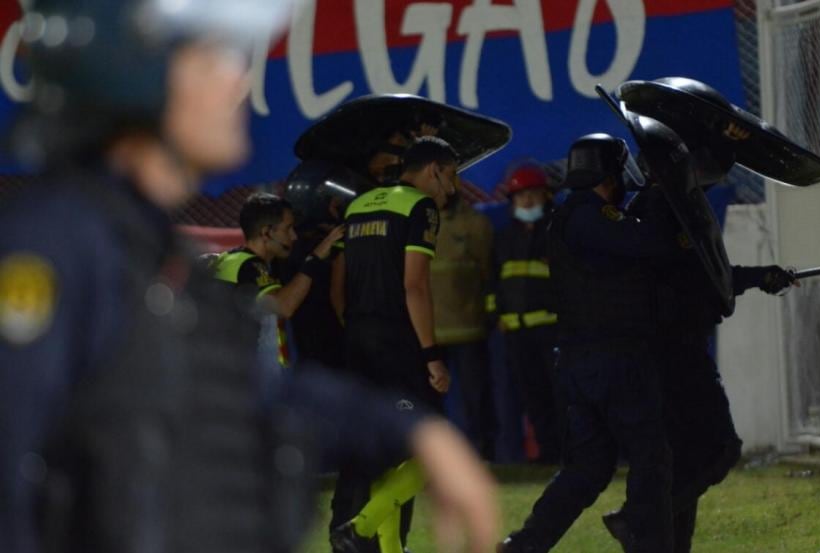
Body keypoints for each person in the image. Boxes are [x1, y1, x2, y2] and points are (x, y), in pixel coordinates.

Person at [0, 1, 499, 552]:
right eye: (214, 59)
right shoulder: (56, 244)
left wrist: (414, 432)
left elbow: (246, 388)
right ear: (134, 75)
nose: (239, 82)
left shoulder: (147, 248)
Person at [600, 77, 803, 553]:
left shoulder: (678, 206)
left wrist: (761, 277)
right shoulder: (659, 208)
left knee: (680, 460)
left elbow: (707, 274)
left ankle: (649, 537)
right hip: (668, 352)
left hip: (675, 347)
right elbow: (686, 279)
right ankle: (637, 521)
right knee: (717, 450)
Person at [499, 134, 681, 553]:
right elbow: (647, 244)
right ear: (609, 173)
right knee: (651, 458)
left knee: (587, 468)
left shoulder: (571, 216)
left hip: (584, 361)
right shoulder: (589, 215)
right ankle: (641, 532)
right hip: (613, 359)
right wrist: (662, 203)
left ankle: (524, 545)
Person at [330, 136, 459, 553]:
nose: (452, 189)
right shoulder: (419, 207)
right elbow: (415, 286)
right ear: (433, 169)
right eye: (451, 176)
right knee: (434, 446)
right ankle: (360, 529)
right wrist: (431, 355)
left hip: (357, 340)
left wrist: (357, 331)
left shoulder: (359, 205)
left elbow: (339, 288)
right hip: (398, 343)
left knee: (384, 451)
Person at [208, 192, 343, 368]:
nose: (294, 236)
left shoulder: (234, 259)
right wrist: (315, 258)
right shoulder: (249, 265)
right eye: (288, 228)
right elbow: (284, 306)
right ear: (267, 233)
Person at [488, 164, 562, 463]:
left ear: (545, 196)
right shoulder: (504, 239)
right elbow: (493, 283)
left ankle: (570, 454)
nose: (527, 201)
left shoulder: (558, 232)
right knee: (534, 398)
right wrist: (497, 317)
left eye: (532, 194)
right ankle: (546, 454)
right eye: (521, 196)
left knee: (562, 396)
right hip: (517, 333)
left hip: (553, 329)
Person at [430, 178, 497, 459]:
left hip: (468, 328)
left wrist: (487, 314)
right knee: (429, 404)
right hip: (429, 333)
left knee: (476, 399)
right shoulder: (415, 222)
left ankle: (484, 456)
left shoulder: (474, 223)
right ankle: (434, 461)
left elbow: (489, 273)